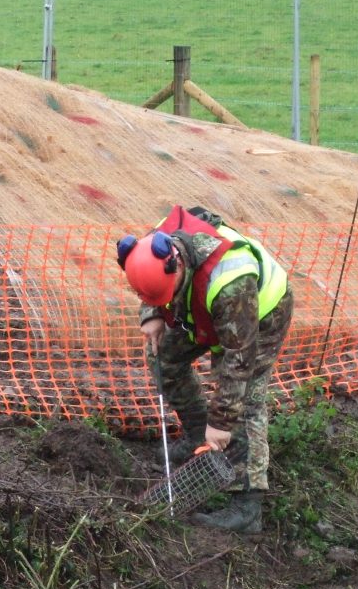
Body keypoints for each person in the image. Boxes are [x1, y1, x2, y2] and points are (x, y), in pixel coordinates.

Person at [115, 206, 293, 534]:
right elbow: (148, 280)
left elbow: (239, 361)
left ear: (178, 265)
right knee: (162, 356)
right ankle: (197, 433)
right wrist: (151, 312)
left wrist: (222, 423)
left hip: (257, 317)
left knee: (245, 404)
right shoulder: (157, 242)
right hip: (198, 304)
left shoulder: (231, 283)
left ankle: (247, 505)